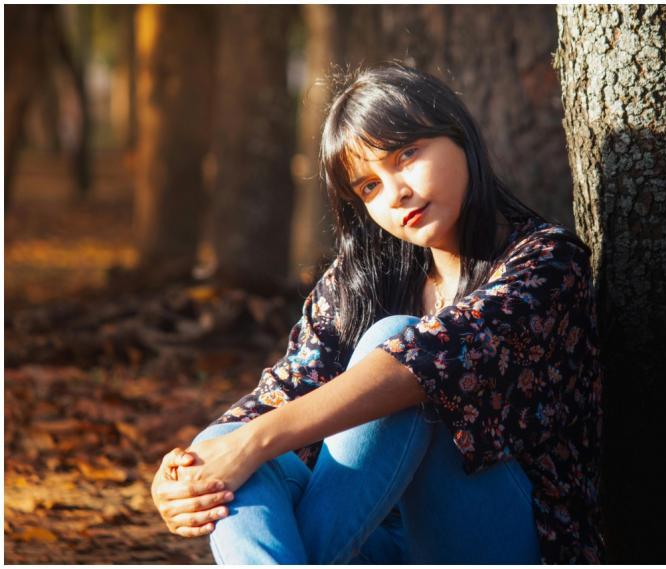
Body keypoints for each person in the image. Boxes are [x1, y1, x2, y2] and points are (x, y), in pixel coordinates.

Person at [149, 62, 604, 564]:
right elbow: (276, 396)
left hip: (496, 536)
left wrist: (253, 443)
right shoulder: (365, 278)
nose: (395, 193)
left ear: (460, 136)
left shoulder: (546, 262)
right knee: (225, 441)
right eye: (368, 186)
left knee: (391, 344)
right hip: (376, 541)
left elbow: (424, 361)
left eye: (406, 155)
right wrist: (183, 478)